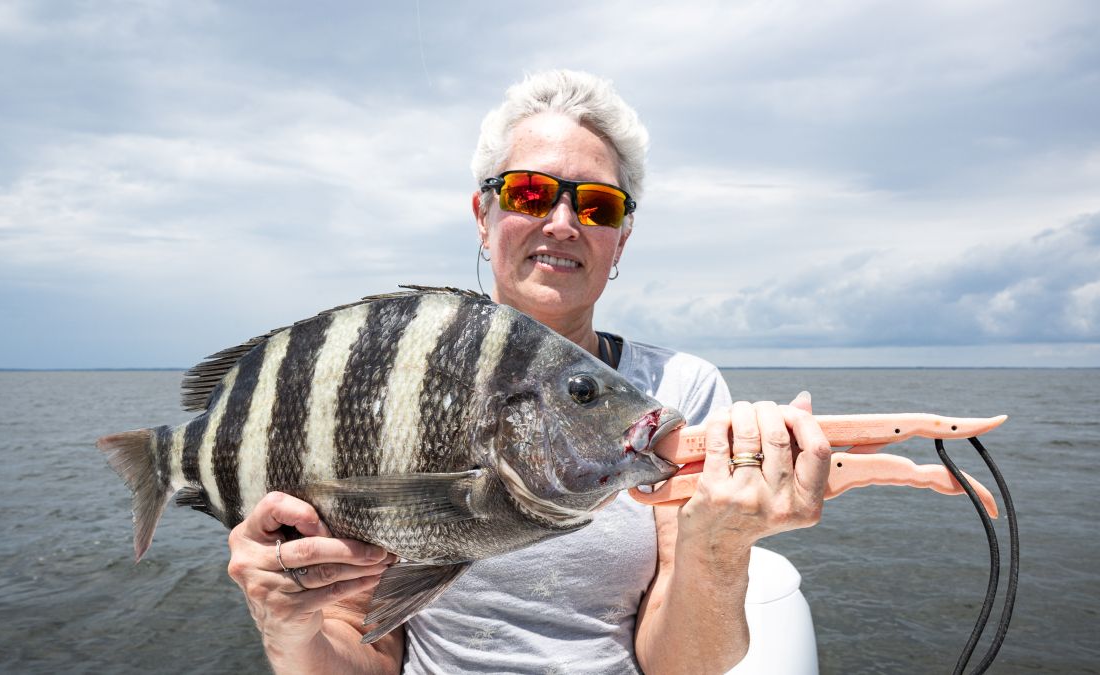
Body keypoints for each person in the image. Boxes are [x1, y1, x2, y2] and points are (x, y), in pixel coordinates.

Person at [226, 70, 832, 674]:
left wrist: (720, 545)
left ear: (619, 241)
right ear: (482, 217)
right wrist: (290, 629)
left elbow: (678, 664)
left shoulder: (679, 390)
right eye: (530, 194)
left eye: (597, 205)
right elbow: (369, 653)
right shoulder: (390, 381)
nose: (563, 222)